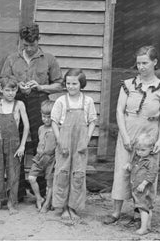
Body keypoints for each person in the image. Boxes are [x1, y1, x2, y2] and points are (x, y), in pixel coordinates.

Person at [103, 45, 160, 225]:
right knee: (122, 169)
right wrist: (125, 136)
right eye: (138, 63)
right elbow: (119, 111)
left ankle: (140, 212)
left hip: (150, 134)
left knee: (144, 172)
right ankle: (116, 211)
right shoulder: (128, 85)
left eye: (145, 63)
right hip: (129, 131)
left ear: (155, 62)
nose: (141, 67)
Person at [0, 23, 63, 200]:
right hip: (16, 103)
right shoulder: (12, 59)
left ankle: (43, 192)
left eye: (32, 45)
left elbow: (59, 84)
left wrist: (40, 86)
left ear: (38, 40)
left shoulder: (49, 59)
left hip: (39, 105)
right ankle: (17, 191)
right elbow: (3, 80)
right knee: (15, 144)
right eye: (25, 45)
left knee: (41, 145)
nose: (28, 48)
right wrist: (16, 85)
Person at [50, 68, 97, 221]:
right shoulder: (61, 101)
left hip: (80, 143)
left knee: (78, 174)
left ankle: (73, 207)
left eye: (74, 83)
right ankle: (62, 207)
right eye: (68, 83)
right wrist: (60, 141)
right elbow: (54, 123)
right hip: (64, 140)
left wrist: (86, 141)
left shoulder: (88, 101)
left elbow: (92, 122)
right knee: (62, 173)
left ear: (81, 84)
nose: (71, 86)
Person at [0, 76, 30, 215]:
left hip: (14, 144)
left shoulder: (19, 104)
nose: (11, 93)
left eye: (13, 90)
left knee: (13, 173)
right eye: (7, 90)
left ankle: (12, 203)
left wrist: (22, 145)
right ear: (1, 89)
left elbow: (27, 126)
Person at [124, 132, 159, 235]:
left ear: (151, 148)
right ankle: (148, 226)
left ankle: (143, 228)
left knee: (143, 207)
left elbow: (151, 175)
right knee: (146, 206)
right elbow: (136, 169)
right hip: (137, 187)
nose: (139, 152)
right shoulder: (139, 159)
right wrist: (129, 167)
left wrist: (143, 184)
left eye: (143, 150)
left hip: (143, 188)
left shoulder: (151, 161)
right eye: (138, 150)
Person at [28, 100, 57, 213]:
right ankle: (39, 198)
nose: (45, 119)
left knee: (50, 182)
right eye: (43, 116)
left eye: (48, 117)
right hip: (39, 158)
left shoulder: (56, 129)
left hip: (51, 159)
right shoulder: (41, 128)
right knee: (31, 178)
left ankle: (47, 203)